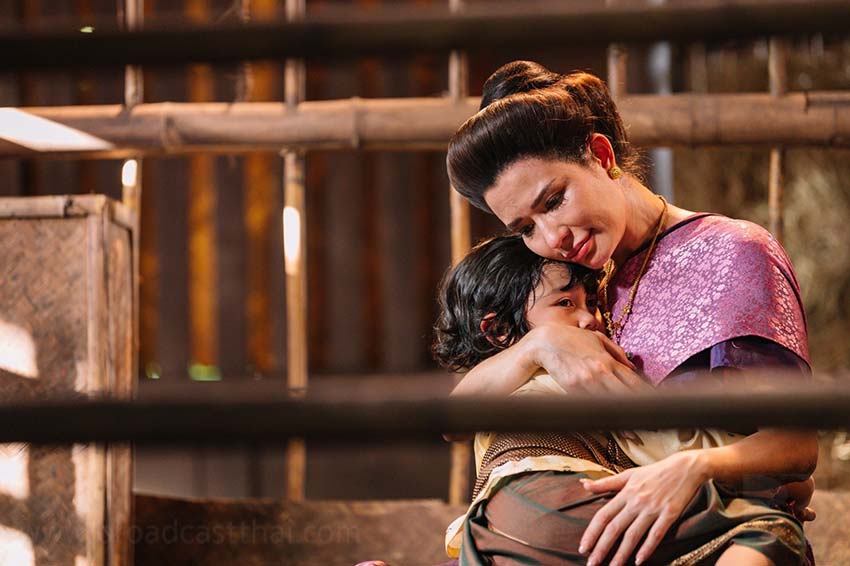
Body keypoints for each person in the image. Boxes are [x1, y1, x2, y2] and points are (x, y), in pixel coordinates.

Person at [444, 61, 817, 566]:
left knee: (766, 539)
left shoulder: (730, 252)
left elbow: (796, 444)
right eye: (526, 228)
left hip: (693, 531)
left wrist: (697, 468)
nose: (552, 238)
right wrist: (539, 345)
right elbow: (454, 419)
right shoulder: (565, 282)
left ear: (601, 156)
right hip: (588, 530)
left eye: (553, 201)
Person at [433, 234, 812, 565]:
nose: (590, 319)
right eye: (565, 304)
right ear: (500, 330)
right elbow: (667, 444)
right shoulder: (583, 369)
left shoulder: (500, 381)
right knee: (769, 528)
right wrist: (781, 485)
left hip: (496, 531)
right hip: (563, 506)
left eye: (590, 302)